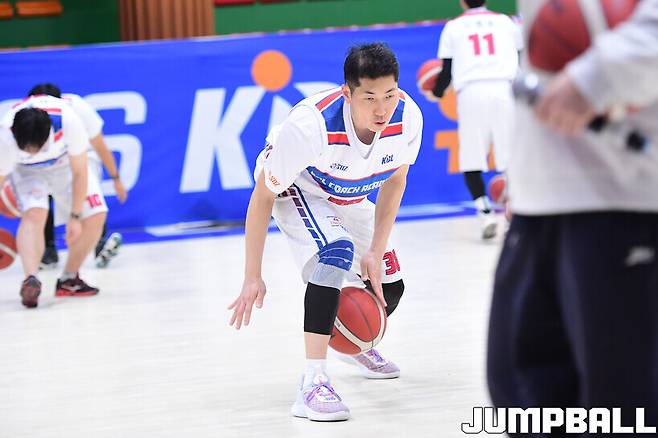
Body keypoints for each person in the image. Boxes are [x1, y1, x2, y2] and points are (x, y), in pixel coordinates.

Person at [228, 43, 423, 421]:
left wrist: (376, 249)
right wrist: (253, 275)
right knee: (337, 251)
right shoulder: (310, 126)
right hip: (298, 187)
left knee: (390, 284)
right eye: (369, 98)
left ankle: (353, 340)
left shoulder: (408, 117)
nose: (381, 109)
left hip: (347, 192)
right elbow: (262, 195)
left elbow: (396, 181)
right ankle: (313, 381)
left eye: (389, 95)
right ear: (348, 93)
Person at [487, 0, 658, 431]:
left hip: (626, 199)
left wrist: (599, 76)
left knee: (623, 409)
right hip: (540, 202)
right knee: (520, 396)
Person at [0, 94, 108, 308]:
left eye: (36, 148)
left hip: (65, 166)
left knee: (96, 214)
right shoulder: (4, 137)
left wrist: (75, 216)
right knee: (35, 213)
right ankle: (31, 279)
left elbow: (80, 172)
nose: (33, 153)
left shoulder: (70, 122)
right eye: (26, 149)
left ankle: (69, 279)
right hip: (27, 173)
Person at [429, 0, 522, 240]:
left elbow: (446, 71)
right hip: (504, 88)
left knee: (471, 158)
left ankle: (485, 213)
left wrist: (436, 92)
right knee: (510, 159)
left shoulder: (453, 26)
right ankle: (514, 214)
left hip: (471, 92)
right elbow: (521, 58)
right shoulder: (506, 22)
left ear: (462, 1)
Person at [28, 84, 127, 270]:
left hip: (80, 155)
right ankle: (48, 249)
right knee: (40, 191)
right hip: (47, 159)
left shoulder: (78, 111)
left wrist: (116, 179)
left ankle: (99, 242)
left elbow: (101, 146)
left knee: (89, 191)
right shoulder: (23, 118)